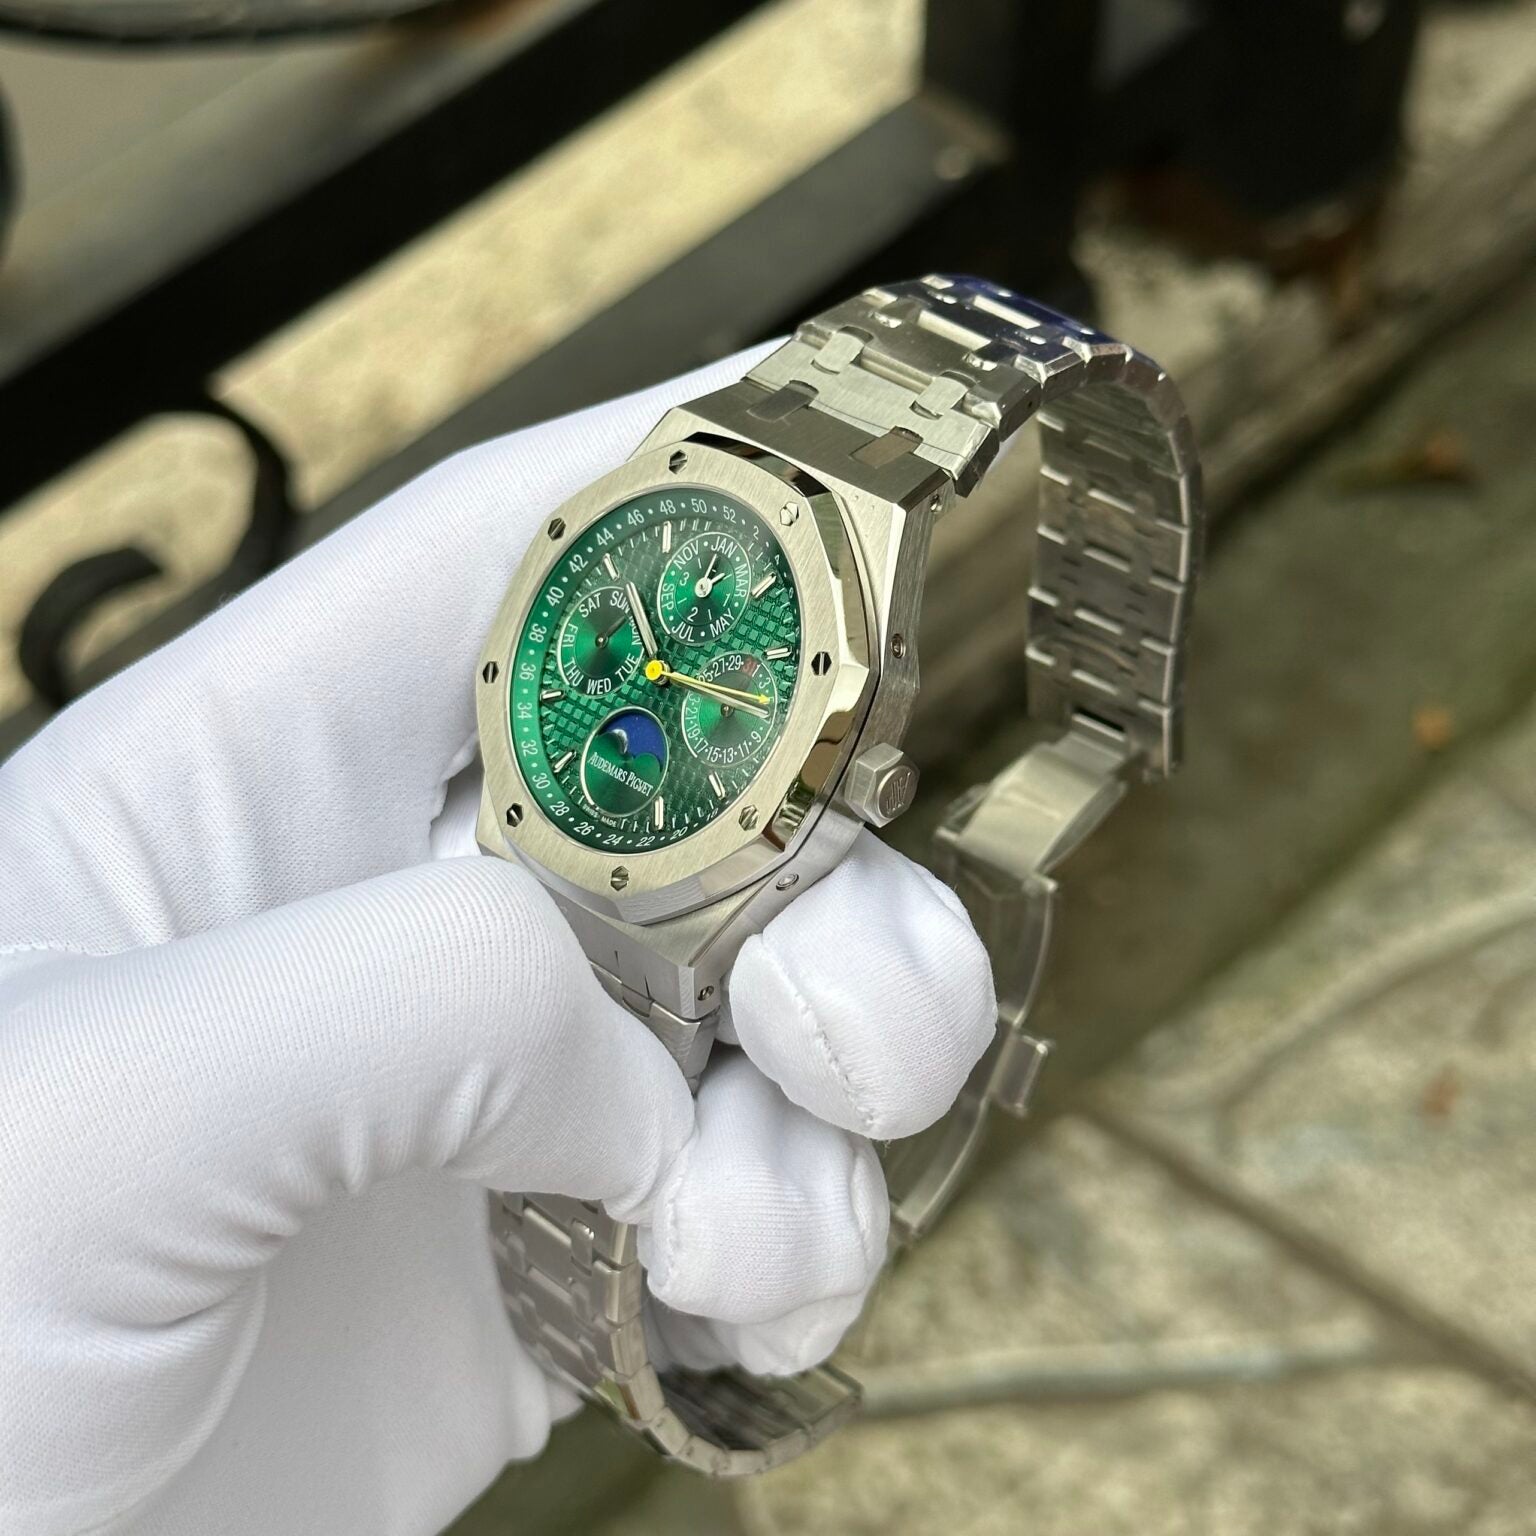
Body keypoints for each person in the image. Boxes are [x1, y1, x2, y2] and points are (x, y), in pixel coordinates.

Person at [0, 351, 997, 1536]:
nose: (659, 672)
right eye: (647, 658)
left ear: (867, 777)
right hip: (588, 828)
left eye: (683, 675)